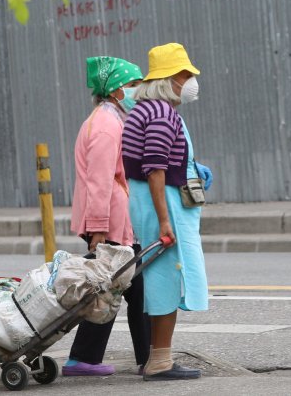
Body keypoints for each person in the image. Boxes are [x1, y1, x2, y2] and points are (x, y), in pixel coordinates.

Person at [121, 42, 210, 381]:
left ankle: (159, 356)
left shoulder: (146, 109)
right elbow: (155, 169)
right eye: (185, 75)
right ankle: (160, 360)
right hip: (163, 203)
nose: (190, 82)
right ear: (168, 79)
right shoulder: (160, 113)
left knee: (164, 275)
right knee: (167, 276)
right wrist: (164, 221)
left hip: (156, 200)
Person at [64, 56, 152, 377]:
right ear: (115, 90)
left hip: (115, 220)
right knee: (122, 288)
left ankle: (91, 358)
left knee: (120, 288)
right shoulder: (106, 126)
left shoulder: (112, 119)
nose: (137, 90)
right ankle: (146, 358)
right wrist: (99, 229)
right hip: (111, 223)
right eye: (132, 85)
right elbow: (99, 181)